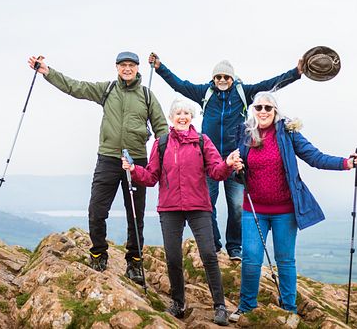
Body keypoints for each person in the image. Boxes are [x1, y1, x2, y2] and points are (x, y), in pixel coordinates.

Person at [27, 52, 169, 284]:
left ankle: (134, 263)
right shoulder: (108, 89)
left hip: (136, 163)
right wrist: (47, 72)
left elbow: (161, 127)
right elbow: (76, 87)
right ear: (116, 67)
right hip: (108, 159)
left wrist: (164, 156)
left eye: (131, 65)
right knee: (97, 210)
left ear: (137, 68)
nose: (127, 69)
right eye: (123, 65)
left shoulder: (146, 95)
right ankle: (98, 253)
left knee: (135, 215)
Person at [148, 52, 302, 261]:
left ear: (232, 78)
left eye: (226, 77)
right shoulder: (204, 92)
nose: (222, 80)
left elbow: (271, 84)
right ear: (213, 79)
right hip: (209, 159)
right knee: (207, 204)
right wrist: (159, 67)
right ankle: (214, 243)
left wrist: (296, 72)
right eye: (218, 77)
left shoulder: (243, 93)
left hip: (235, 158)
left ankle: (234, 247)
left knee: (238, 206)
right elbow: (179, 85)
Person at [228, 91, 357, 321]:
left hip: (284, 210)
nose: (262, 112)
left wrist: (346, 163)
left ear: (275, 111)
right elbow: (236, 164)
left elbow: (315, 157)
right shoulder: (245, 134)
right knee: (251, 259)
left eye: (267, 108)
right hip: (254, 209)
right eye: (258, 107)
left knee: (285, 261)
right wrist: (236, 168)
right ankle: (246, 307)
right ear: (253, 110)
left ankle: (288, 308)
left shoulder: (288, 134)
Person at [122, 98, 244, 326]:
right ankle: (178, 303)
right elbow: (151, 177)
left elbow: (217, 172)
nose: (182, 116)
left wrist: (227, 163)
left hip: (199, 206)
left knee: (208, 254)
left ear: (191, 117)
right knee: (174, 257)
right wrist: (133, 170)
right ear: (171, 117)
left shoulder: (202, 140)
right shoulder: (162, 143)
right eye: (178, 113)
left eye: (186, 113)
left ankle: (219, 306)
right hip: (170, 208)